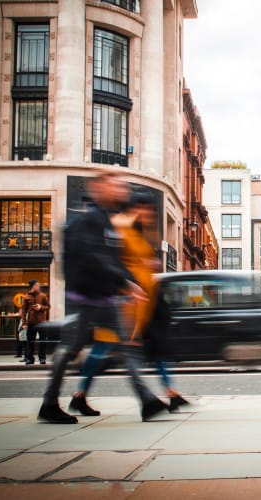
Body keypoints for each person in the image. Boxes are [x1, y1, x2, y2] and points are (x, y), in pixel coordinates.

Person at [38, 171, 168, 424]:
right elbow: (95, 257)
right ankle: (50, 402)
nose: (122, 189)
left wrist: (128, 282)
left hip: (107, 297)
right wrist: (127, 283)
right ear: (99, 187)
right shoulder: (90, 220)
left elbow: (113, 259)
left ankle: (147, 401)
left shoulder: (108, 220)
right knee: (70, 350)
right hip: (86, 297)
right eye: (116, 185)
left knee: (127, 348)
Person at [70, 192, 189, 415]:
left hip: (140, 304)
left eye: (153, 212)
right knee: (109, 350)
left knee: (111, 350)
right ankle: (150, 401)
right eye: (148, 210)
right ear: (137, 208)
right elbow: (112, 263)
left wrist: (149, 265)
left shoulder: (137, 232)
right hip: (121, 303)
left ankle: (81, 396)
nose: (151, 215)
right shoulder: (120, 228)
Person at [21, 280, 50, 365]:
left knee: (42, 341)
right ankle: (30, 359)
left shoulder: (43, 296)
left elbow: (48, 306)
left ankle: (42, 358)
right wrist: (24, 323)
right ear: (32, 286)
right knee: (30, 341)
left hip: (42, 322)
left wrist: (41, 307)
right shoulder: (26, 297)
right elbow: (23, 311)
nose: (39, 286)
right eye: (37, 285)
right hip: (31, 322)